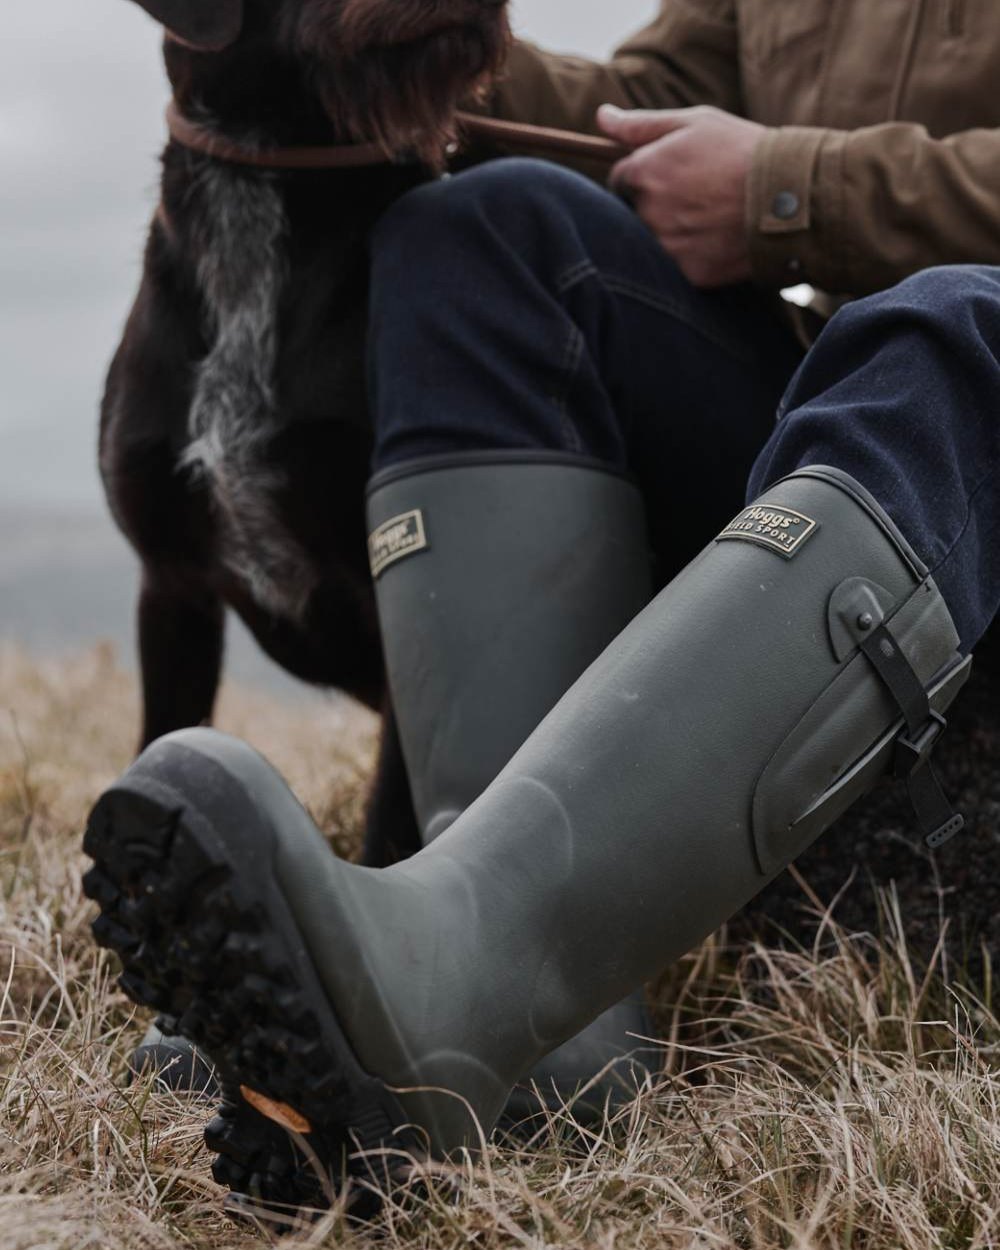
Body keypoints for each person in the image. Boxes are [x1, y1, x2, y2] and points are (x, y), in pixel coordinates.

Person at [86, 0, 1000, 1212]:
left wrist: (791, 189)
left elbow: (805, 206)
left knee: (947, 330)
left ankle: (472, 977)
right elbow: (638, 88)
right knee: (481, 228)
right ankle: (547, 1023)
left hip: (954, 393)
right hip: (834, 420)